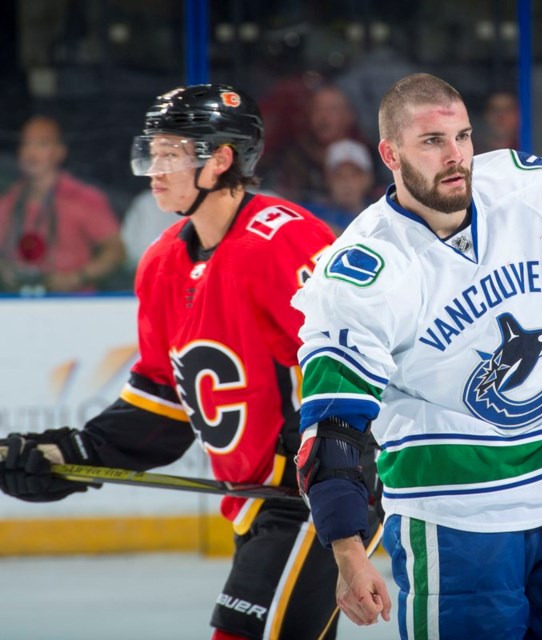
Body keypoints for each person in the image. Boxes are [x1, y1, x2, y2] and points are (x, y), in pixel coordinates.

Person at [291, 72, 542, 638]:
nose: (456, 156)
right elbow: (335, 429)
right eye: (433, 142)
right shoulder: (363, 270)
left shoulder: (534, 191)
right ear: (390, 154)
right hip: (455, 522)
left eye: (462, 137)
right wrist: (346, 552)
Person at [0, 84, 382, 640]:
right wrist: (68, 454)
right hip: (254, 505)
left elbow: (352, 362)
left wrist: (337, 478)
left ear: (221, 159)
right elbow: (162, 406)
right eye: (152, 152)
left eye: (172, 154)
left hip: (313, 496)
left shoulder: (284, 239)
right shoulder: (160, 264)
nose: (155, 168)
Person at [0, 115, 125, 293]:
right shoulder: (8, 201)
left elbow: (115, 249)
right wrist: (3, 269)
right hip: (18, 304)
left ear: (60, 152)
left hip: (75, 306)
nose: (31, 153)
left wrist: (78, 277)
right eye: (26, 144)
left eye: (42, 144)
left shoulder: (83, 198)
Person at [260, 83, 371, 204]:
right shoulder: (293, 158)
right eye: (317, 109)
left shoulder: (373, 155)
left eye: (332, 109)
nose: (323, 117)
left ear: (349, 116)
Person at [303, 139, 377, 235]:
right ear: (328, 180)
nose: (346, 182)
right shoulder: (311, 212)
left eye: (354, 175)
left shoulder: (379, 215)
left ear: (367, 179)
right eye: (339, 175)